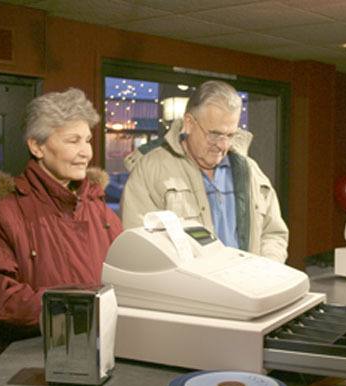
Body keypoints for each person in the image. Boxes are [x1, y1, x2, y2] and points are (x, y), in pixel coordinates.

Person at [0, 88, 123, 335]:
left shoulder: (101, 211)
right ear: (37, 147)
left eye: (88, 140)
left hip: (104, 347)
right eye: (73, 140)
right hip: (37, 357)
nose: (87, 153)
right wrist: (80, 308)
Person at [120, 80, 288, 262]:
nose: (222, 145)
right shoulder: (151, 169)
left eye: (230, 135)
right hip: (187, 288)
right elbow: (142, 246)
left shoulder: (250, 170)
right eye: (214, 134)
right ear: (189, 123)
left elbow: (273, 233)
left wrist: (266, 269)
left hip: (247, 287)